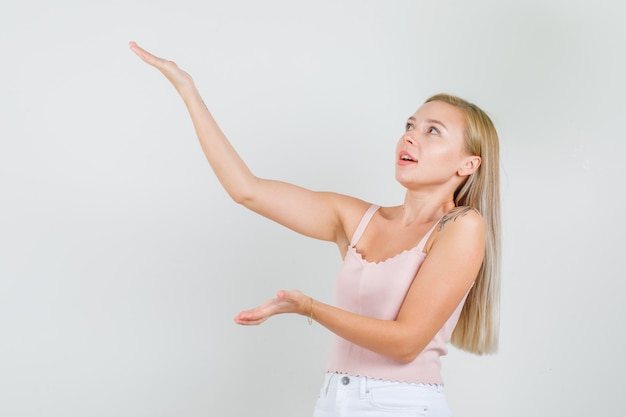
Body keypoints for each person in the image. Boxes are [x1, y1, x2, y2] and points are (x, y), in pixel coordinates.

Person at [129, 41, 501, 417]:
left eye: (432, 131)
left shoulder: (461, 227)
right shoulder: (358, 219)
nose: (409, 136)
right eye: (410, 125)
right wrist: (188, 90)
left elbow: (406, 343)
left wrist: (308, 307)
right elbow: (247, 190)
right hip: (334, 400)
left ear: (468, 165)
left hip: (401, 403)